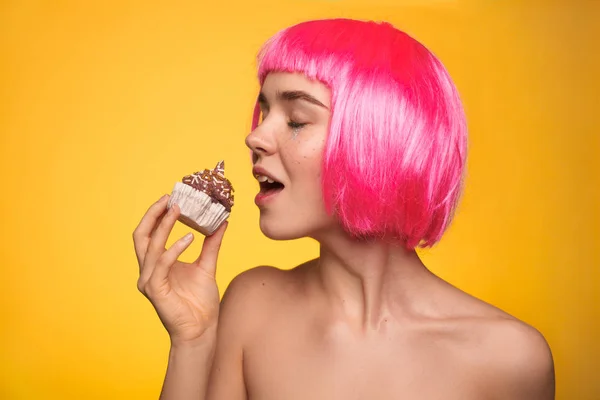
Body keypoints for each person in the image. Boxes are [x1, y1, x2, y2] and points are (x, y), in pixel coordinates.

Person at [133, 18, 555, 399]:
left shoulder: (510, 359)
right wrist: (193, 341)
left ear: (378, 142)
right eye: (263, 111)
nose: (256, 137)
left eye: (296, 119)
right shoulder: (252, 308)